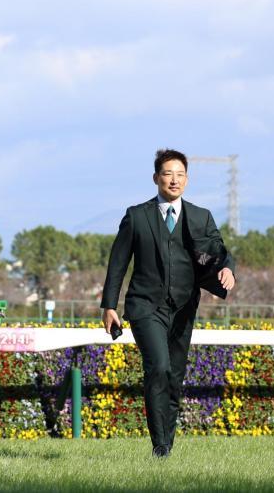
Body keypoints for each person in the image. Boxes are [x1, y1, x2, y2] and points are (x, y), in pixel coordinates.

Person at [100, 149, 236, 458]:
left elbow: (216, 251)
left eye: (180, 174)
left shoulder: (200, 217)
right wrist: (109, 305)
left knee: (174, 375)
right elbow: (118, 262)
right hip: (145, 306)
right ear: (156, 178)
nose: (174, 180)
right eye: (167, 174)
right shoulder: (137, 216)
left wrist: (226, 269)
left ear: (187, 179)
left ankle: (167, 444)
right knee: (158, 367)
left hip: (184, 307)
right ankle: (159, 444)